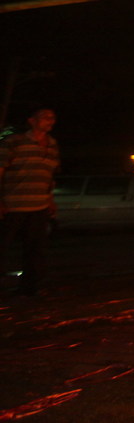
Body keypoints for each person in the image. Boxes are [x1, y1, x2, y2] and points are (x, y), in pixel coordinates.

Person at [0, 108, 60, 296]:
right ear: (32, 121)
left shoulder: (52, 145)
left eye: (52, 118)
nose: (50, 121)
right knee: (2, 245)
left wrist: (50, 200)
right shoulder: (14, 142)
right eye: (45, 117)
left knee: (35, 248)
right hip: (13, 204)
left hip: (38, 205)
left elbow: (49, 176)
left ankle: (30, 287)